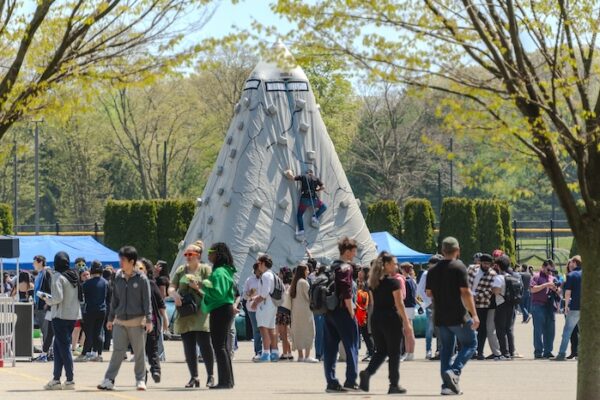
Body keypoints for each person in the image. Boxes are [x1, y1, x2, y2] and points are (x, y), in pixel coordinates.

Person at [426, 237, 479, 396]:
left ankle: (447, 386)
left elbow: (428, 293)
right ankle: (454, 372)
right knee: (471, 343)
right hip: (458, 315)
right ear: (457, 250)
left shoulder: (433, 269)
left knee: (446, 350)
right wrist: (474, 314)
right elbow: (465, 292)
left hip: (440, 316)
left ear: (442, 251)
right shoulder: (459, 266)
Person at [97, 246, 153, 391]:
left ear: (132, 261)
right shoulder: (117, 277)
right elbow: (114, 300)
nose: (120, 262)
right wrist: (110, 319)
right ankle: (109, 380)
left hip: (137, 322)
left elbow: (147, 301)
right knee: (117, 352)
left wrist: (149, 319)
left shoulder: (142, 278)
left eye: (123, 259)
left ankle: (140, 380)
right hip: (119, 322)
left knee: (139, 353)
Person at [359, 252, 414, 394]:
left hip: (376, 318)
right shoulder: (393, 282)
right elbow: (399, 303)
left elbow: (373, 302)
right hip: (391, 318)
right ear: (386, 265)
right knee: (394, 352)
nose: (396, 266)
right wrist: (406, 323)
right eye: (394, 263)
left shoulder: (372, 283)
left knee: (382, 350)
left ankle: (367, 373)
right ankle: (393, 384)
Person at [168, 242, 215, 388]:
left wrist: (197, 287)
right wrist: (174, 295)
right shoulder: (181, 270)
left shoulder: (206, 270)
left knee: (205, 345)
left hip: (201, 312)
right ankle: (194, 377)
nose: (187, 257)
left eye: (191, 254)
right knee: (188, 346)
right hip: (185, 312)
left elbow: (212, 290)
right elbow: (171, 286)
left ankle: (210, 376)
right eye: (186, 254)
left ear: (198, 256)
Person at [323, 237, 360, 393]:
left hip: (329, 312)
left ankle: (331, 382)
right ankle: (350, 380)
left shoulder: (331, 267)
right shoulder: (346, 268)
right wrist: (352, 313)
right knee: (351, 345)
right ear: (347, 252)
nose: (354, 254)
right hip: (343, 312)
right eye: (353, 251)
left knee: (330, 348)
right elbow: (346, 292)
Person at [42, 251, 82, 390]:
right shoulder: (73, 276)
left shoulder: (57, 276)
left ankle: (70, 379)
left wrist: (47, 300)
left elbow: (58, 298)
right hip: (72, 316)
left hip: (60, 316)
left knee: (64, 347)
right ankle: (56, 378)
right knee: (58, 345)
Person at [201, 242, 237, 389]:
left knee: (219, 346)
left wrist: (204, 285)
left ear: (218, 254)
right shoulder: (223, 271)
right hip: (223, 309)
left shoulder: (219, 272)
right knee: (222, 346)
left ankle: (225, 381)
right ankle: (228, 380)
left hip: (220, 309)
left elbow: (218, 293)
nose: (208, 254)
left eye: (211, 251)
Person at [138, 259, 169, 382]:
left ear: (146, 270)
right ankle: (142, 374)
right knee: (139, 350)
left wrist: (165, 319)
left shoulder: (151, 283)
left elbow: (161, 302)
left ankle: (155, 370)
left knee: (152, 349)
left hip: (152, 322)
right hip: (135, 322)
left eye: (141, 268)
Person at [467, 253, 501, 360]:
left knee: (481, 329)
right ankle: (470, 351)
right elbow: (464, 282)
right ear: (480, 262)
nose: (487, 265)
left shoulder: (493, 274)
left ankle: (480, 351)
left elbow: (490, 290)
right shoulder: (471, 269)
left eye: (489, 264)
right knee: (469, 327)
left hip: (482, 304)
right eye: (485, 263)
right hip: (468, 302)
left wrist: (477, 297)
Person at [251, 254, 280, 362]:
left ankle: (266, 353)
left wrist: (255, 302)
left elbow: (264, 293)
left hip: (265, 305)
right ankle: (275, 352)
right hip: (272, 304)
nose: (257, 265)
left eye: (259, 263)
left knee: (263, 329)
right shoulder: (272, 274)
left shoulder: (265, 275)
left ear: (263, 263)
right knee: (271, 328)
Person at [78, 261, 108, 362]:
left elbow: (82, 297)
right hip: (102, 310)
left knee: (89, 332)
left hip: (90, 310)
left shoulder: (87, 283)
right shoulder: (105, 282)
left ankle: (85, 353)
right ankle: (98, 354)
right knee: (98, 332)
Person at [530, 259, 560, 359]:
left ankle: (548, 351)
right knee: (538, 330)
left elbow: (558, 291)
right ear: (543, 267)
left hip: (550, 306)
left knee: (550, 330)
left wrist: (555, 289)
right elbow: (532, 289)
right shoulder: (536, 276)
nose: (550, 272)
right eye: (548, 270)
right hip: (538, 305)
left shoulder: (552, 277)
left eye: (552, 270)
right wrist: (546, 285)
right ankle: (538, 352)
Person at [284, 168, 327, 238]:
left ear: (307, 173)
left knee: (299, 215)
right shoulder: (316, 178)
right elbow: (323, 187)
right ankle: (314, 217)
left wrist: (288, 172)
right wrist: (317, 190)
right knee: (324, 207)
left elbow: (292, 177)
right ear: (312, 173)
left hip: (304, 200)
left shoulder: (303, 176)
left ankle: (301, 231)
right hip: (314, 200)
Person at [554, 256, 582, 361]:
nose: (570, 264)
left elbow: (568, 292)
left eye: (571, 262)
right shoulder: (588, 274)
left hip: (574, 307)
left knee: (567, 332)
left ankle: (561, 354)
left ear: (574, 263)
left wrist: (566, 306)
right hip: (585, 307)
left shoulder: (571, 275)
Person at [290, 263, 318, 362]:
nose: (308, 272)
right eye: (307, 270)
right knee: (309, 331)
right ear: (303, 271)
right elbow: (309, 297)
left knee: (299, 332)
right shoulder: (304, 282)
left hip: (296, 311)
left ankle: (301, 356)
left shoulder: (295, 282)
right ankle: (307, 356)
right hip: (306, 311)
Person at [416, 255, 442, 360]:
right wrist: (425, 303)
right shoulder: (426, 274)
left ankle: (439, 350)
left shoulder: (442, 273)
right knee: (430, 328)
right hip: (430, 304)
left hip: (441, 304)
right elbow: (418, 292)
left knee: (440, 328)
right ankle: (428, 350)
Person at [492, 255, 517, 360]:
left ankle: (504, 353)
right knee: (509, 329)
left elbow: (496, 291)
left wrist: (492, 289)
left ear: (498, 266)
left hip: (501, 304)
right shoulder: (511, 277)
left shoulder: (499, 277)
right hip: (511, 304)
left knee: (500, 329)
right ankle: (511, 351)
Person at [33, 255, 54, 362]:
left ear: (40, 262)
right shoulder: (40, 274)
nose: (33, 265)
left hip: (44, 306)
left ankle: (48, 353)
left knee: (47, 331)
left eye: (34, 262)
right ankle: (46, 353)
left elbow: (50, 289)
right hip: (39, 306)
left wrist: (48, 303)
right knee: (44, 331)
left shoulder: (47, 273)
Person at [243, 263, 263, 360]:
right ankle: (258, 351)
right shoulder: (249, 280)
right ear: (255, 270)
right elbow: (244, 296)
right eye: (259, 270)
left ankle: (268, 350)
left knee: (266, 330)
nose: (261, 272)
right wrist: (249, 293)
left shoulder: (266, 278)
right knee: (257, 330)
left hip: (264, 308)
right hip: (252, 308)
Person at [356, 267, 374, 362]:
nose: (359, 273)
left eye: (361, 272)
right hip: (365, 310)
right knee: (366, 333)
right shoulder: (363, 283)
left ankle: (371, 353)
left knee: (367, 333)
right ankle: (371, 352)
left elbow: (370, 299)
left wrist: (367, 310)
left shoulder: (368, 284)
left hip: (366, 311)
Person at [400, 262, 417, 361]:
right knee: (409, 331)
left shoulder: (405, 281)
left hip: (407, 307)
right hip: (411, 307)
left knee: (407, 331)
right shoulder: (412, 280)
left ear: (403, 270)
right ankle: (409, 353)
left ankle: (409, 352)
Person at [277, 267, 293, 360]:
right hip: (287, 311)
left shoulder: (283, 286)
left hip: (281, 310)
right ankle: (289, 352)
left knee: (283, 334)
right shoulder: (290, 286)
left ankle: (285, 353)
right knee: (285, 333)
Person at [102, 267, 115, 351]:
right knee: (109, 328)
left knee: (101, 327)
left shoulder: (103, 283)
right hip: (111, 307)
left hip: (103, 306)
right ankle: (107, 345)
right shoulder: (113, 284)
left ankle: (102, 345)